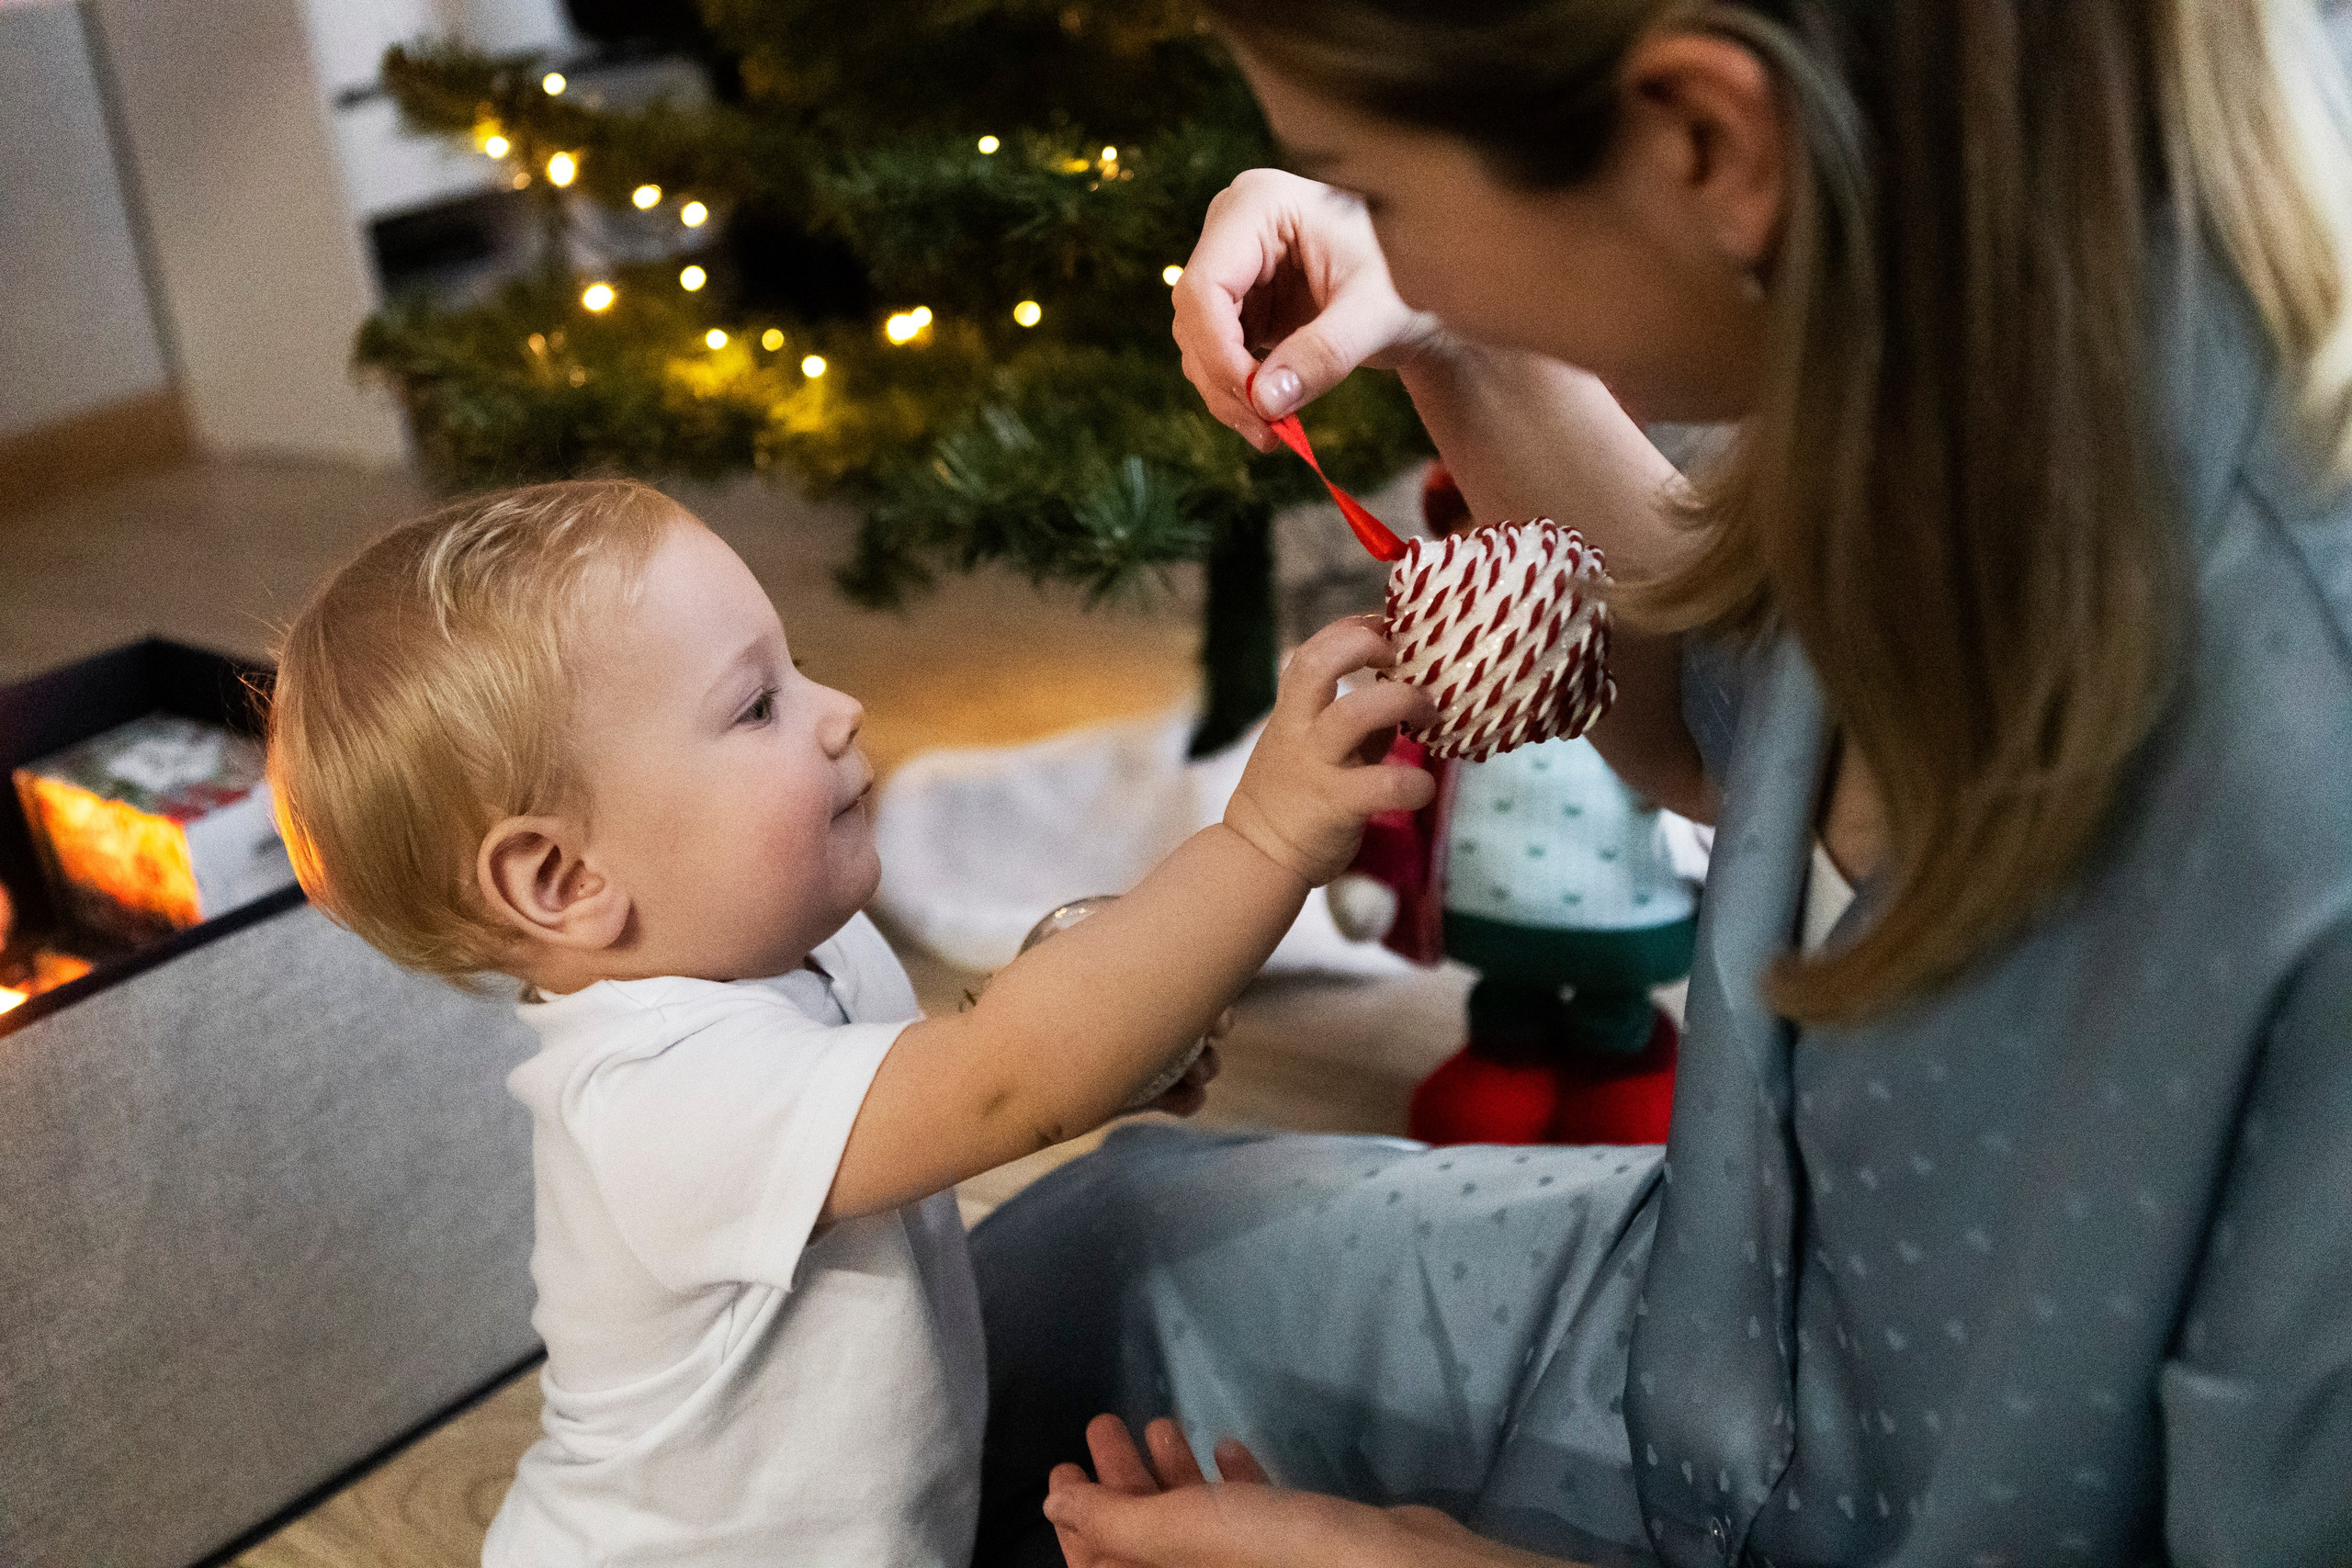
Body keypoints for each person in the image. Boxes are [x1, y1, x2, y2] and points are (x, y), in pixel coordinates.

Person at [973, 2, 2352, 1565]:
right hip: (1729, 1333)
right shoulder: (1979, 325)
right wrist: (1442, 320)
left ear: (1708, 144)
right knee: (1082, 1265)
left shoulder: (2300, 788)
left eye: (1383, 188)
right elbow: (1742, 739)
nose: (1366, 228)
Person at [263, 479, 1435, 1565]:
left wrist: (1115, 1047)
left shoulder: (789, 942)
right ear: (565, 882)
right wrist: (1266, 840)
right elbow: (1009, 1080)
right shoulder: (657, 1107)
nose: (840, 710)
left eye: (800, 666)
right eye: (759, 704)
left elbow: (948, 1078)